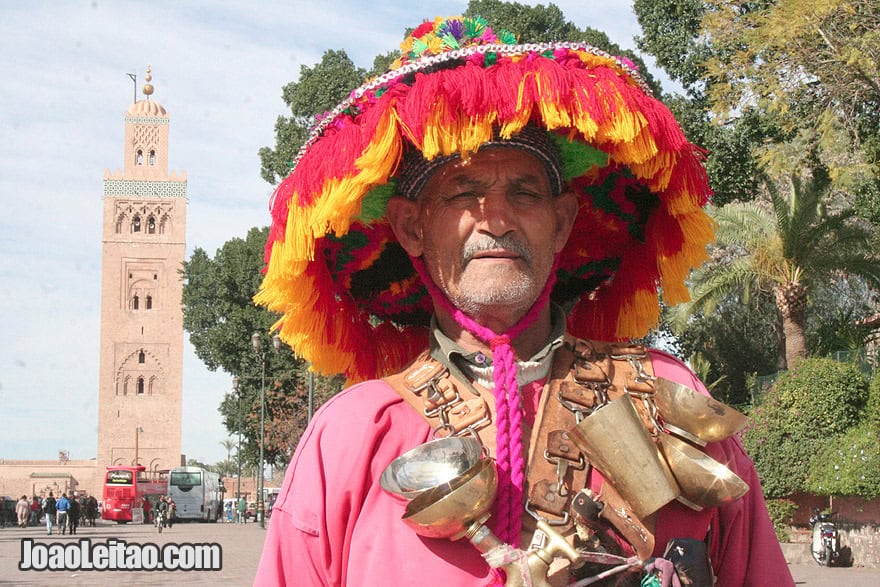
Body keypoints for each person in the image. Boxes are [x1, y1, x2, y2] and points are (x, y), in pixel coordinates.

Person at [253, 14, 794, 587]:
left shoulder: (667, 397)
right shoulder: (354, 432)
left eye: (525, 193)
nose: (498, 219)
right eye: (463, 192)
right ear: (411, 228)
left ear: (562, 224)